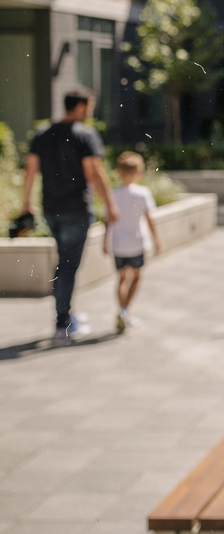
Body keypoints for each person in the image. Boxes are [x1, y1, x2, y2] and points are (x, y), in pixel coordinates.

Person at [21, 88, 120, 343]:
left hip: (51, 209)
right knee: (68, 266)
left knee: (64, 263)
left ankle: (66, 315)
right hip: (76, 209)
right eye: (89, 107)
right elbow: (94, 172)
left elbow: (30, 170)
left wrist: (26, 204)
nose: (90, 112)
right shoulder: (86, 134)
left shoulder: (43, 133)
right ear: (78, 107)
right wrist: (110, 205)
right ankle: (62, 323)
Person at [104, 151, 161, 334]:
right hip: (136, 242)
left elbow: (108, 220)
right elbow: (149, 219)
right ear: (139, 173)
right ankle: (125, 310)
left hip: (118, 243)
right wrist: (157, 239)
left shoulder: (113, 194)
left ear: (119, 172)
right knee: (136, 277)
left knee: (121, 279)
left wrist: (105, 242)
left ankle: (121, 311)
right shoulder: (143, 193)